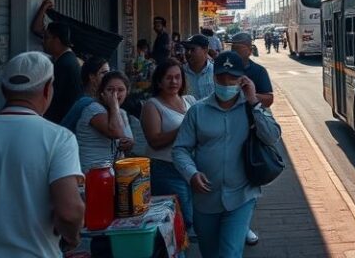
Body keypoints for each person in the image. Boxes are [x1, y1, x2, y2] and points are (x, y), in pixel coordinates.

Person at [173, 51, 282, 258]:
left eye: (232, 78)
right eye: (221, 77)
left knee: (230, 254)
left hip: (242, 195)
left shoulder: (252, 108)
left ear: (242, 79)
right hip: (205, 199)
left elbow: (272, 136)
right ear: (214, 78)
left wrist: (254, 101)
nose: (226, 82)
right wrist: (191, 173)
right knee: (210, 252)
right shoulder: (197, 111)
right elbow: (180, 149)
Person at [0, 52, 84, 257]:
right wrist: (72, 237)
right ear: (47, 89)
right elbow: (70, 212)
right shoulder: (58, 138)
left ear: (3, 89)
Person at [141, 59, 197, 229]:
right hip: (165, 169)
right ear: (159, 81)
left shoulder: (190, 101)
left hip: (191, 167)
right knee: (182, 219)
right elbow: (154, 141)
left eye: (177, 77)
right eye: (168, 78)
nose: (174, 82)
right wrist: (184, 127)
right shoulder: (152, 105)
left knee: (191, 217)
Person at [230, 31, 274, 245]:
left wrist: (251, 96)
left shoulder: (258, 71)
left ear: (248, 48)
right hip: (224, 131)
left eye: (238, 48)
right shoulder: (226, 69)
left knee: (249, 185)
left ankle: (243, 226)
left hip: (250, 136)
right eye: (232, 48)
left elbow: (269, 99)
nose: (234, 52)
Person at [76, 71, 135, 173]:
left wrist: (129, 144)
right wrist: (114, 105)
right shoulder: (94, 109)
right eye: (110, 90)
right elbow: (116, 132)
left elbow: (127, 143)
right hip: (92, 174)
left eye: (120, 90)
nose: (115, 94)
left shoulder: (121, 113)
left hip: (112, 174)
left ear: (127, 92)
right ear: (101, 92)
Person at [37, 14, 83, 124]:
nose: (43, 42)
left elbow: (55, 100)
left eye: (47, 37)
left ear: (56, 40)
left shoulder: (64, 64)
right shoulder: (67, 59)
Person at [60, 56, 111, 133]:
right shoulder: (86, 102)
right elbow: (113, 130)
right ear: (92, 77)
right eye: (104, 73)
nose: (109, 77)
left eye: (109, 73)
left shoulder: (88, 100)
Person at [183, 34, 215, 100]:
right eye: (186, 49)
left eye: (192, 49)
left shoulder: (215, 71)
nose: (188, 53)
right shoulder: (180, 73)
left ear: (205, 50)